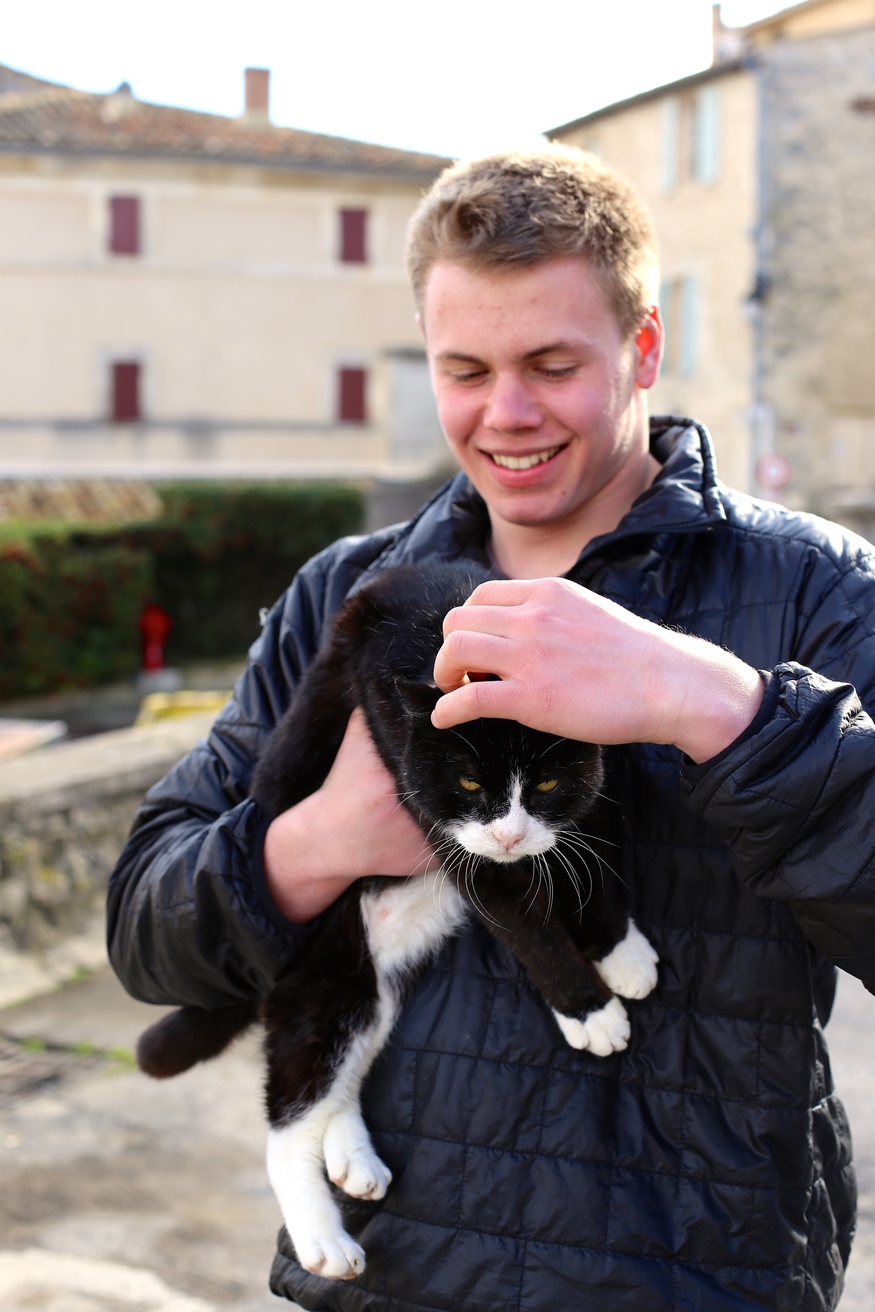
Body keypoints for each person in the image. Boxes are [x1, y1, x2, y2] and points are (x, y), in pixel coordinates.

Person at [108, 146, 875, 1311]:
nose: (504, 415)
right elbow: (143, 931)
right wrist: (321, 840)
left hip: (694, 1280)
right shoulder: (347, 594)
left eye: (551, 364)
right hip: (383, 1282)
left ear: (644, 348)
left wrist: (714, 705)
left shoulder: (816, 588)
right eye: (463, 368)